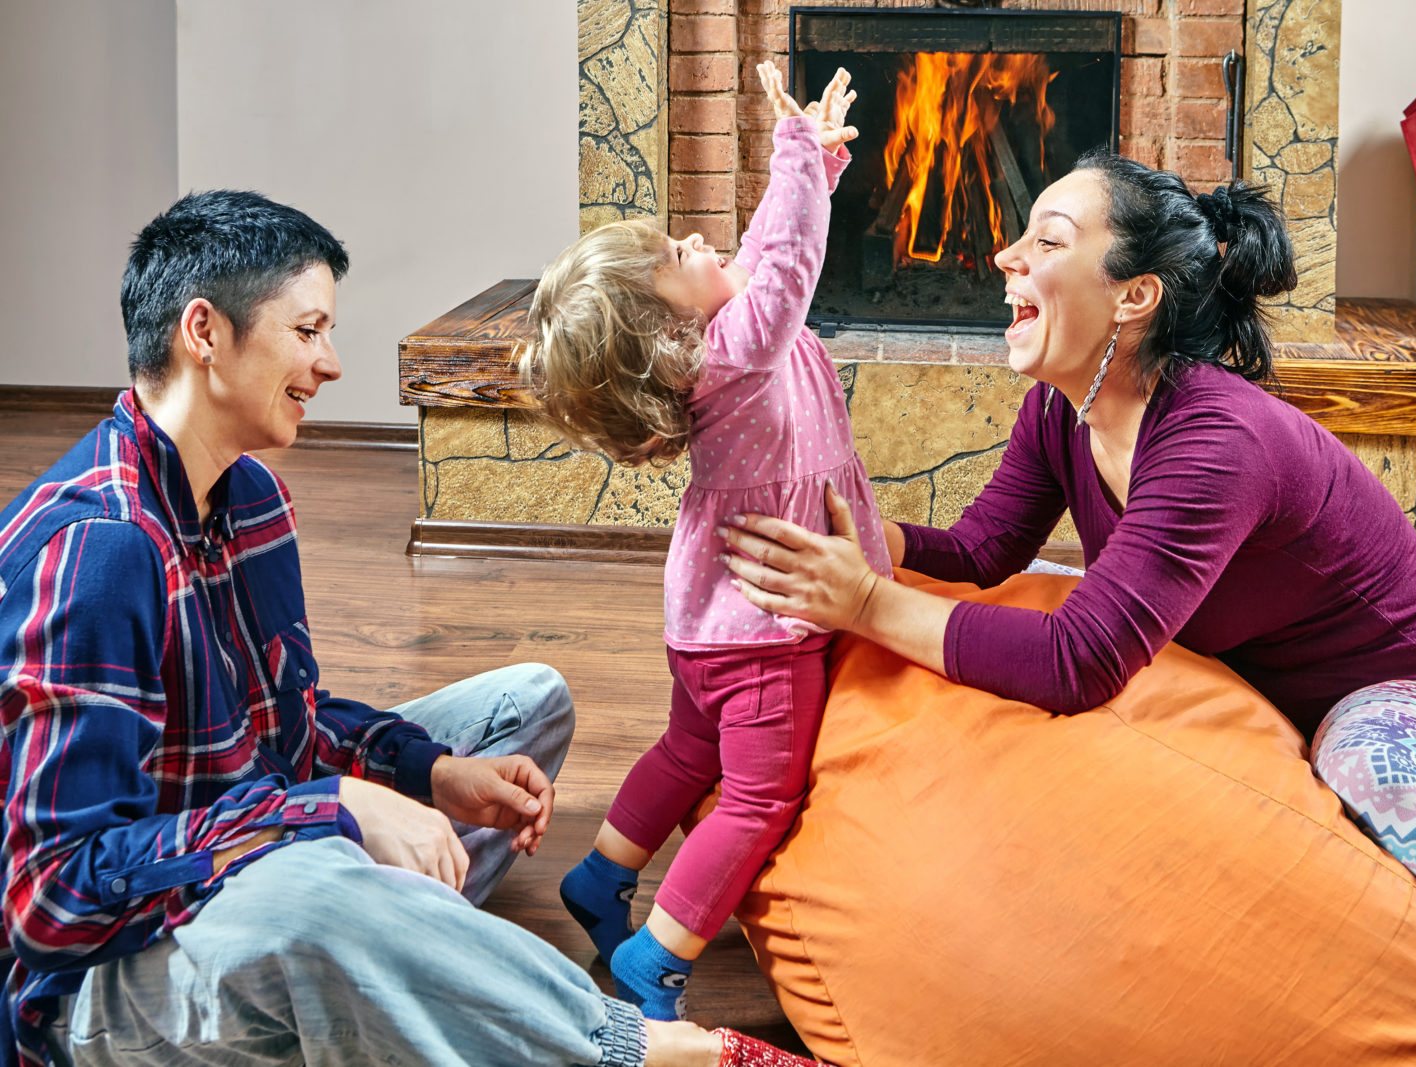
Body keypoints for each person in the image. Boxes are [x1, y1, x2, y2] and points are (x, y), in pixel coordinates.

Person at [716, 153, 1416, 1066]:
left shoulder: (1217, 440)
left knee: (1364, 756)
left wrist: (863, 603)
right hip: (1303, 699)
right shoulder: (1066, 411)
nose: (1005, 257)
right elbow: (981, 555)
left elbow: (1078, 662)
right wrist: (862, 538)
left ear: (1134, 297)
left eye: (1047, 240)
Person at [0, 189, 825, 1067]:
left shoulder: (250, 498)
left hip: (238, 840)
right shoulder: (96, 553)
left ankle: (395, 963)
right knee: (321, 892)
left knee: (527, 704)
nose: (332, 364)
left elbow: (288, 726)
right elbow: (51, 899)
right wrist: (327, 813)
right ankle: (635, 1046)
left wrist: (429, 771)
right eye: (308, 331)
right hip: (103, 987)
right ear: (204, 333)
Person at [521, 64, 890, 1023]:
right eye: (673, 258)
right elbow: (789, 268)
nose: (694, 237)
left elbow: (772, 250)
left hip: (705, 620)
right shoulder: (736, 349)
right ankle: (660, 956)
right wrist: (794, 150)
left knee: (689, 748)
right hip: (760, 631)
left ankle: (603, 874)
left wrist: (821, 163)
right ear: (676, 334)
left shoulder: (723, 333)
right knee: (758, 797)